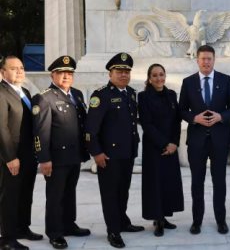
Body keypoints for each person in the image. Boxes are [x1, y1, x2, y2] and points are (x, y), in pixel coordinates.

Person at [85, 53, 143, 249]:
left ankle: (122, 221)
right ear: (110, 73)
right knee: (110, 193)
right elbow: (91, 129)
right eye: (119, 71)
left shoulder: (131, 93)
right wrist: (97, 153)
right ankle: (113, 230)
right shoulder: (101, 95)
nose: (124, 75)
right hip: (108, 155)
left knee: (123, 191)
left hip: (127, 153)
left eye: (127, 71)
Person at [32, 56, 91, 249]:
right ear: (53, 74)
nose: (66, 76)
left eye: (69, 73)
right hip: (56, 158)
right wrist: (44, 159)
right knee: (55, 196)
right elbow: (40, 131)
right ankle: (55, 232)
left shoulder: (77, 94)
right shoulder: (44, 97)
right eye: (61, 73)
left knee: (69, 193)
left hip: (74, 155)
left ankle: (68, 224)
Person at [179, 45, 230, 235]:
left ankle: (221, 220)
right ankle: (197, 221)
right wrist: (193, 118)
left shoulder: (225, 80)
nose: (206, 62)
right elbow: (181, 109)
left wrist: (221, 116)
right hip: (196, 140)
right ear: (197, 60)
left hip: (219, 140)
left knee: (219, 182)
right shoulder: (188, 82)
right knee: (197, 182)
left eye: (209, 59)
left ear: (214, 60)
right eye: (203, 58)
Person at [0, 56, 42, 250]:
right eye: (13, 68)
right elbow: (1, 128)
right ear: (3, 72)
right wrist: (10, 157)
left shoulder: (24, 91)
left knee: (26, 194)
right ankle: (7, 238)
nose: (19, 71)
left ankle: (22, 228)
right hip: (11, 156)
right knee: (10, 197)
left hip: (27, 155)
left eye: (22, 68)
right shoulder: (1, 93)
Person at [138, 64, 184, 237]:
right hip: (154, 147)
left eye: (161, 74)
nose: (159, 78)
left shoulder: (171, 95)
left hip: (170, 147)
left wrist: (174, 143)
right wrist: (165, 144)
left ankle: (164, 216)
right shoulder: (143, 97)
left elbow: (177, 121)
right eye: (155, 75)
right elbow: (147, 124)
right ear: (149, 78)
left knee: (168, 183)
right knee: (154, 183)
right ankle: (157, 219)